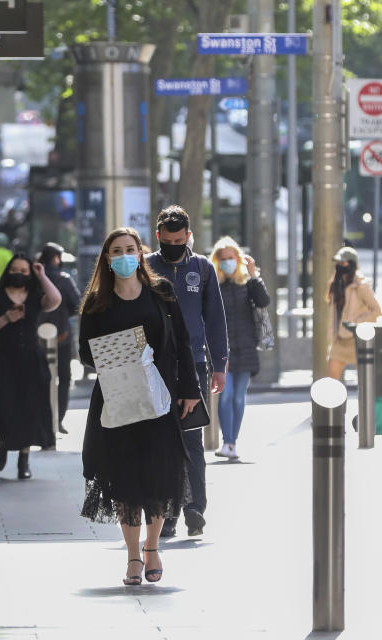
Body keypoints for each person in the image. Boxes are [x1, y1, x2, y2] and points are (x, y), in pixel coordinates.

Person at [79, 227, 201, 586]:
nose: (124, 256)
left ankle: (152, 547)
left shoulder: (161, 293)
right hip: (118, 402)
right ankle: (133, 555)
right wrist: (120, 352)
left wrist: (190, 389)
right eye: (116, 250)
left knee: (160, 476)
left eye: (130, 249)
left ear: (140, 252)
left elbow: (182, 342)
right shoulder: (97, 302)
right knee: (126, 479)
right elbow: (85, 352)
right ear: (107, 258)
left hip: (159, 399)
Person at [145, 205, 228, 538]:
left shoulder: (203, 269)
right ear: (158, 238)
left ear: (189, 237)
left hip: (193, 366)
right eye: (168, 241)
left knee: (191, 439)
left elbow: (216, 320)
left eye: (179, 240)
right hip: (154, 366)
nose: (174, 245)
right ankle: (166, 513)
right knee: (160, 442)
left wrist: (219, 365)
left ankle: (195, 509)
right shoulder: (146, 266)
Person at [0, 254, 62, 478]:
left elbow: (55, 300)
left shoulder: (36, 295)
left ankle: (23, 460)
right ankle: (4, 445)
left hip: (32, 359)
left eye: (24, 271)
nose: (19, 274)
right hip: (6, 359)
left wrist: (41, 275)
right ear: (8, 271)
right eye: (15, 269)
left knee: (30, 408)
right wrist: (7, 318)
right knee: (4, 405)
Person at [210, 237, 271, 459]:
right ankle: (227, 442)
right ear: (217, 261)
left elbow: (264, 301)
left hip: (246, 348)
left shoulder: (248, 283)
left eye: (231, 258)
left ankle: (232, 443)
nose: (227, 262)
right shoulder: (213, 284)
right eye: (223, 259)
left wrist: (254, 274)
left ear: (238, 259)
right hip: (222, 351)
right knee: (225, 397)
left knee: (238, 397)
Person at [37, 242, 82, 436]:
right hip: (62, 334)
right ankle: (58, 419)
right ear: (56, 258)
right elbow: (77, 304)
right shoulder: (64, 279)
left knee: (39, 378)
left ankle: (42, 420)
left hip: (36, 336)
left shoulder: (35, 277)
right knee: (64, 378)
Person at [326, 246, 381, 381]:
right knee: (332, 377)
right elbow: (334, 313)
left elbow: (377, 310)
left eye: (343, 262)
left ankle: (366, 403)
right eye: (338, 262)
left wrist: (357, 322)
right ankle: (336, 402)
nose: (340, 265)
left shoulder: (361, 285)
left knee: (366, 380)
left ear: (352, 264)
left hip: (358, 340)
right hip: (340, 340)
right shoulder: (336, 284)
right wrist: (332, 334)